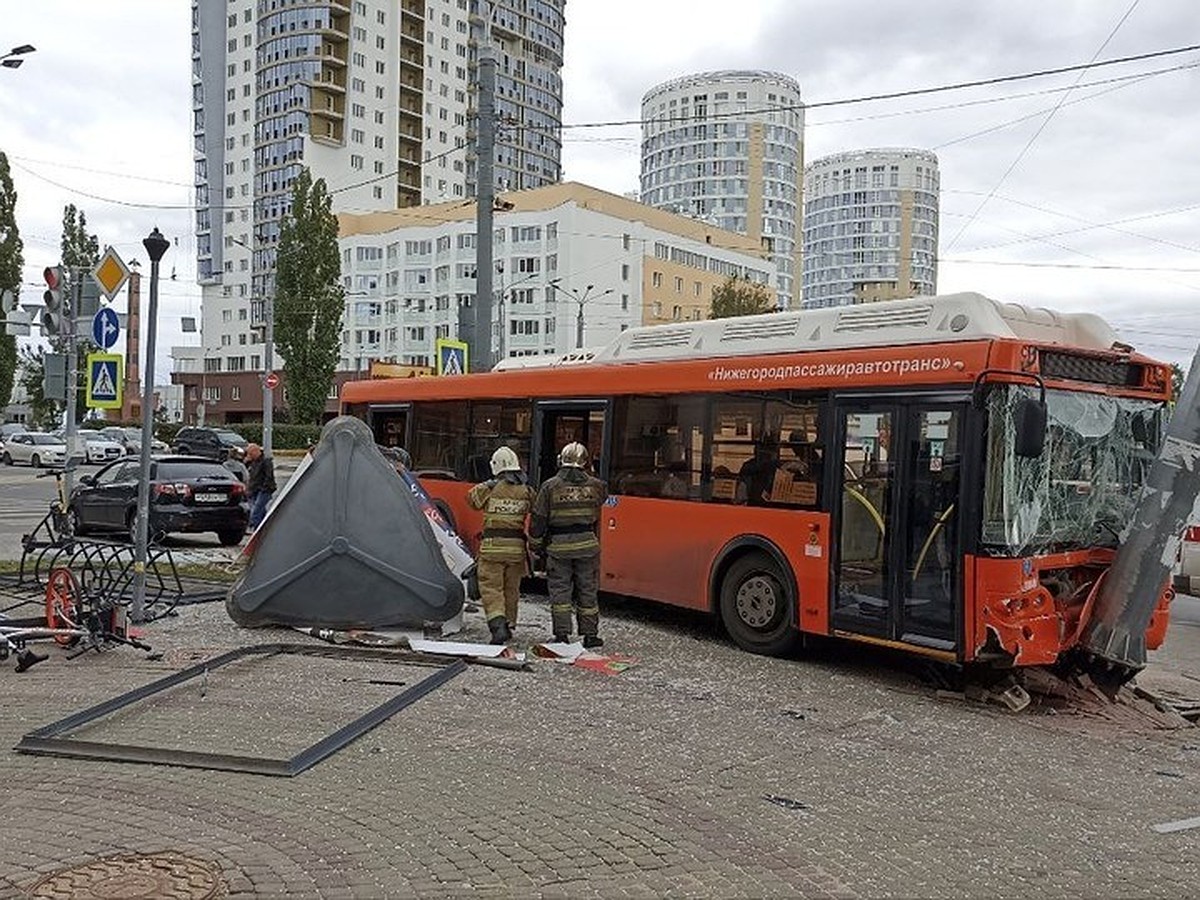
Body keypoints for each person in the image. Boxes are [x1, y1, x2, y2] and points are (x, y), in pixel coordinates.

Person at [529, 441, 608, 648]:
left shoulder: (549, 486)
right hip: (588, 546)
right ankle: (590, 635)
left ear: (560, 461)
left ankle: (562, 635)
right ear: (585, 462)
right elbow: (601, 503)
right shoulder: (597, 486)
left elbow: (538, 519)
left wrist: (535, 545)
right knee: (588, 591)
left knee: (560, 593)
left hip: (559, 548)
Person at [467, 446, 536, 645]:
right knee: (511, 588)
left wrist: (487, 484)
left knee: (491, 588)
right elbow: (537, 509)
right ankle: (510, 624)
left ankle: (498, 628)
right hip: (516, 550)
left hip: (492, 548)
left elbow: (471, 501)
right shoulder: (527, 491)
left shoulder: (489, 488)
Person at [245, 442, 277, 530]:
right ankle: (263, 527)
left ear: (256, 451)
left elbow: (269, 476)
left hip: (264, 489)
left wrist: (264, 488)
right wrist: (246, 462)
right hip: (254, 489)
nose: (249, 455)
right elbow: (248, 472)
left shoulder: (266, 461)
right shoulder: (252, 462)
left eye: (251, 454)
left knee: (256, 510)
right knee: (260, 511)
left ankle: (255, 527)